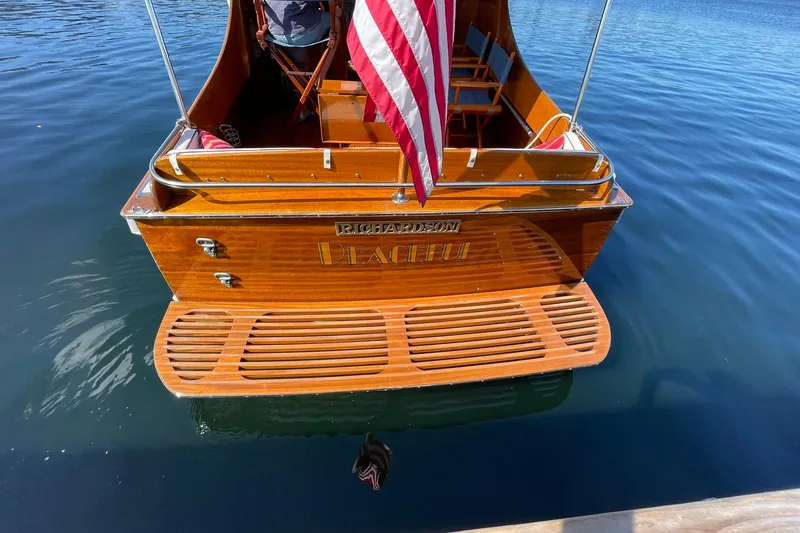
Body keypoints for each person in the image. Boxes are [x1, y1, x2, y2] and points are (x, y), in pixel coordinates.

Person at [264, 0, 331, 47]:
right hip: (302, 35)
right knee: (336, 17)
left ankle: (303, 62)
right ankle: (332, 57)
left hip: (277, 36)